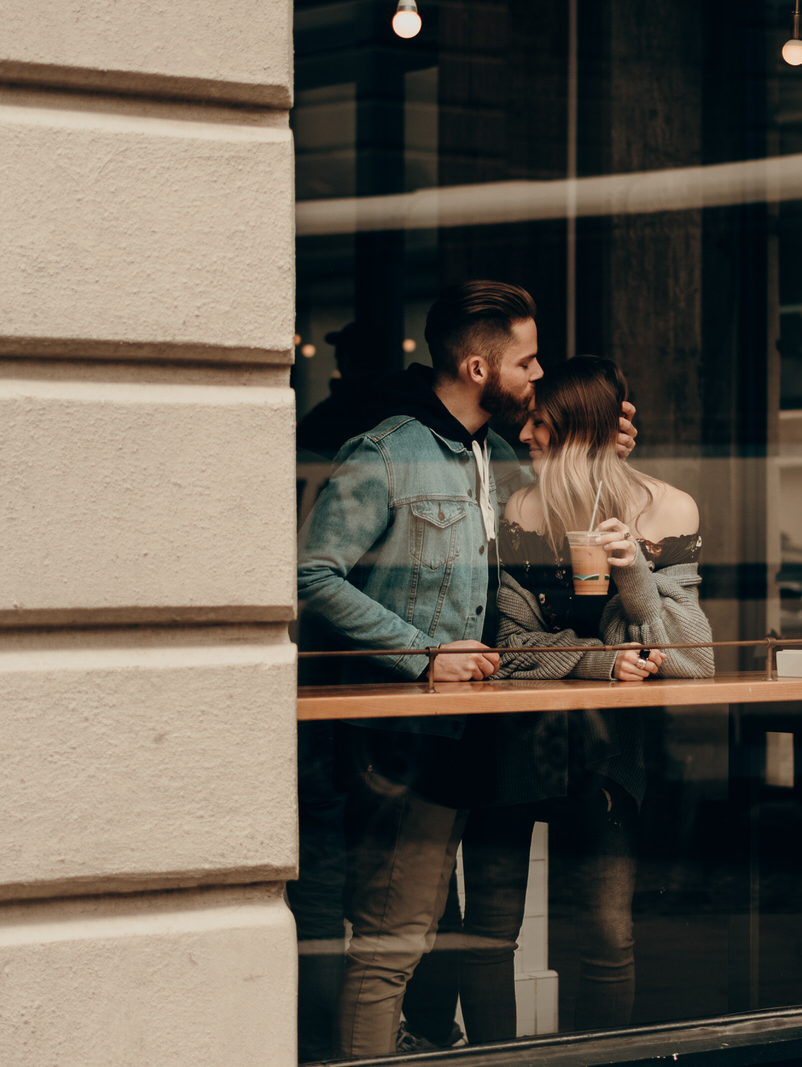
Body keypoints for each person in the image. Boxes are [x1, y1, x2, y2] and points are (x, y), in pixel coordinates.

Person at [294, 282, 640, 1058]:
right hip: (405, 742)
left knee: (438, 938)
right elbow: (312, 573)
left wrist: (598, 451)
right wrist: (423, 653)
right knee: (394, 940)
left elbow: (553, 528)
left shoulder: (499, 457)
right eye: (528, 359)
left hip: (476, 735)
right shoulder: (386, 451)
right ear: (481, 366)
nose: (539, 372)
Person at [400, 355, 712, 1046]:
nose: (528, 436)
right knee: (488, 930)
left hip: (608, 752)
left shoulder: (670, 507)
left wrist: (636, 576)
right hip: (511, 739)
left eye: (540, 423)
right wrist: (600, 661)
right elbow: (507, 649)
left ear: (575, 433)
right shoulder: (518, 510)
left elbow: (694, 660)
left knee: (607, 931)